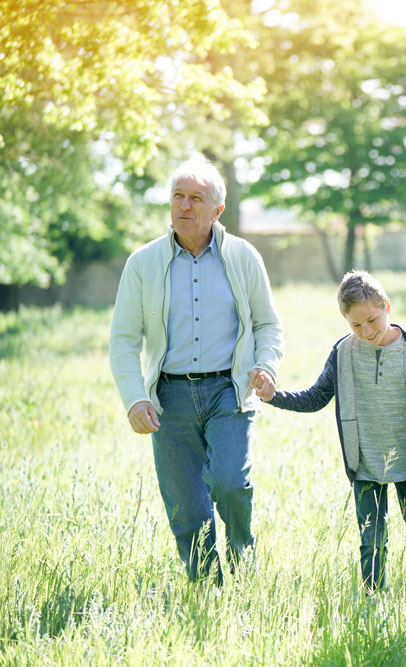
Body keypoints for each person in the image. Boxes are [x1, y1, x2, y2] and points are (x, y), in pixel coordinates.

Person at [109, 155, 283, 583]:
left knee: (229, 483)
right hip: (169, 398)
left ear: (217, 210)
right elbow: (124, 341)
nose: (184, 206)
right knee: (187, 509)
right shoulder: (142, 263)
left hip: (229, 390)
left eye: (196, 199)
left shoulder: (243, 256)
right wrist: (135, 399)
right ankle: (208, 593)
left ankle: (243, 563)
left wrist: (266, 367)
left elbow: (268, 324)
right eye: (178, 197)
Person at [255, 270, 406, 592]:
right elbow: (315, 398)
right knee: (372, 540)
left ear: (387, 306)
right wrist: (274, 395)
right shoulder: (343, 352)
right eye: (356, 325)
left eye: (372, 320)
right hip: (365, 464)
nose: (366, 331)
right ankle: (374, 600)